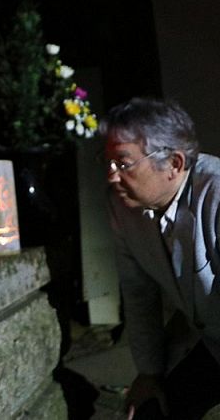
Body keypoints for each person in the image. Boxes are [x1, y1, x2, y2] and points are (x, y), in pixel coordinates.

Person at [102, 97, 220, 419]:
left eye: (123, 164)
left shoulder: (217, 194)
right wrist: (150, 372)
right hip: (212, 341)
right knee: (150, 410)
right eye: (109, 164)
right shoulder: (123, 209)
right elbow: (138, 293)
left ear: (174, 164)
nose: (112, 176)